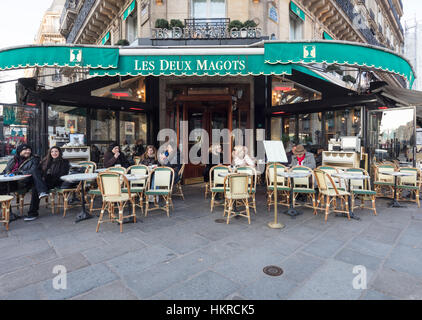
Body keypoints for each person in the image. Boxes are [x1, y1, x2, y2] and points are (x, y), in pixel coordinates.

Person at [0, 144, 49, 221]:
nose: (28, 151)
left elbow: (33, 171)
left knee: (35, 187)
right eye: (25, 150)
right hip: (13, 182)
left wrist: (19, 172)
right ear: (19, 151)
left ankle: (33, 213)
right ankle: (8, 213)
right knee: (1, 186)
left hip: (26, 182)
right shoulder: (13, 160)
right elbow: (6, 171)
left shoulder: (34, 159)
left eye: (29, 150)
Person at [27, 146, 71, 220]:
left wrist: (47, 176)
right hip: (46, 181)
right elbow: (39, 172)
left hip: (57, 181)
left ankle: (42, 191)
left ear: (59, 152)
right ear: (49, 153)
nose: (54, 153)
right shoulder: (46, 161)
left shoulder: (64, 162)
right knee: (35, 185)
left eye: (56, 151)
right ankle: (33, 213)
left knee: (37, 188)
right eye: (52, 151)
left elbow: (62, 175)